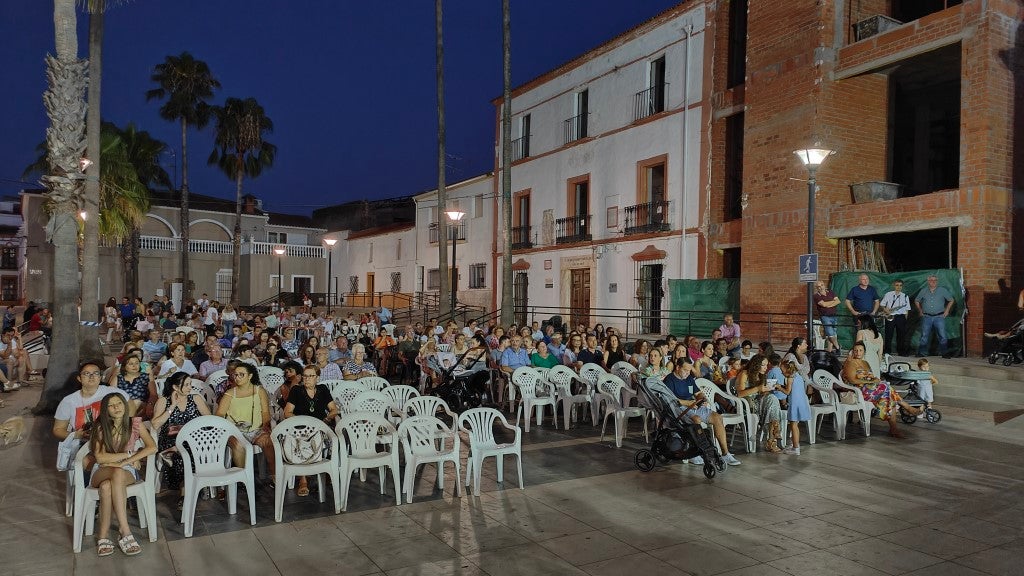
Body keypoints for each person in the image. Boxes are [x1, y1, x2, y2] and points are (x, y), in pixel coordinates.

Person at [87, 393, 156, 557]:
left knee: (106, 487)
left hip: (126, 471)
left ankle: (103, 536)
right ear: (106, 410)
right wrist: (129, 456)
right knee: (111, 476)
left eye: (119, 403)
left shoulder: (135, 424)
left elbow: (152, 447)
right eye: (111, 405)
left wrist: (124, 463)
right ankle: (124, 531)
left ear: (125, 405)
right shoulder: (101, 426)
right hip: (101, 470)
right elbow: (100, 457)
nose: (116, 407)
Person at [662, 357, 742, 466]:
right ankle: (693, 453)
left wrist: (702, 399)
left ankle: (725, 453)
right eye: (685, 370)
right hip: (678, 408)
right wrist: (688, 403)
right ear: (677, 367)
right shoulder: (669, 380)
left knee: (717, 417)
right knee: (696, 419)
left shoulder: (689, 378)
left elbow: (698, 393)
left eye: (689, 370)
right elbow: (670, 400)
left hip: (693, 406)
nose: (687, 373)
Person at [150, 372, 212, 510]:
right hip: (171, 439)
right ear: (175, 387)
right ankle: (187, 492)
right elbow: (155, 424)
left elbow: (209, 419)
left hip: (194, 439)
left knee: (190, 451)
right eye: (187, 385)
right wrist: (172, 406)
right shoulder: (164, 401)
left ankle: (187, 490)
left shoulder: (195, 399)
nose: (190, 387)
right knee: (183, 454)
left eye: (190, 384)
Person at [842, 342, 921, 437]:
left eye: (860, 350)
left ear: (864, 352)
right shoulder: (850, 363)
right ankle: (906, 408)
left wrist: (875, 380)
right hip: (857, 391)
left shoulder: (865, 363)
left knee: (888, 396)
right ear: (852, 352)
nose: (858, 352)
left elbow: (870, 377)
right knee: (886, 388)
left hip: (870, 389)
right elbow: (852, 380)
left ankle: (894, 428)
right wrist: (871, 382)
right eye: (855, 350)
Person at [283, 365, 339, 497]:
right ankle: (303, 480)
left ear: (317, 378)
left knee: (334, 438)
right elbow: (287, 412)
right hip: (300, 427)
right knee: (301, 440)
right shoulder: (296, 390)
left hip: (320, 426)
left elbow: (334, 409)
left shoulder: (323, 389)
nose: (307, 379)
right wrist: (302, 422)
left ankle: (326, 471)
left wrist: (326, 419)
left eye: (311, 376)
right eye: (305, 376)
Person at [216, 363, 275, 480]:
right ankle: (244, 477)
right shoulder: (229, 394)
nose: (237, 377)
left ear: (250, 376)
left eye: (241, 375)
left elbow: (265, 412)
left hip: (255, 429)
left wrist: (266, 427)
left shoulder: (259, 391)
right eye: (235, 375)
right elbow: (220, 414)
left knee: (268, 441)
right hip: (235, 430)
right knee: (237, 445)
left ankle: (275, 475)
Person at [734, 353, 784, 453]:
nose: (766, 367)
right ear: (756, 365)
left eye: (766, 365)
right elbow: (740, 394)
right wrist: (757, 388)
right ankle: (773, 437)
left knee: (772, 398)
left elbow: (761, 393)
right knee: (771, 403)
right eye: (763, 365)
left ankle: (773, 432)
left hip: (759, 403)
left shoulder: (761, 376)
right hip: (747, 405)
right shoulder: (745, 373)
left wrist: (766, 390)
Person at [915, 275, 955, 358]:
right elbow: (917, 300)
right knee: (924, 336)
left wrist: (947, 310)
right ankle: (921, 353)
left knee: (942, 336)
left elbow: (951, 300)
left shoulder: (942, 290)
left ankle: (944, 353)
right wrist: (920, 310)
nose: (933, 282)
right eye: (931, 280)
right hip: (926, 317)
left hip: (939, 317)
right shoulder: (923, 291)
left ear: (937, 281)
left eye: (935, 280)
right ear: (928, 281)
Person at [778, 360, 809, 455]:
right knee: (795, 425)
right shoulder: (798, 376)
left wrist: (779, 387)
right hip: (802, 402)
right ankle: (795, 444)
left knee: (793, 425)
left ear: (787, 369)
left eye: (782, 370)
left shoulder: (790, 379)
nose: (781, 372)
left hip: (795, 404)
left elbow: (787, 392)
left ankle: (796, 448)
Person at [879, 279, 912, 356]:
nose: (898, 287)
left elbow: (907, 309)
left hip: (901, 317)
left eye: (900, 285)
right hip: (890, 316)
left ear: (902, 286)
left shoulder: (905, 296)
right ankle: (887, 351)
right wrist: (886, 310)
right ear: (894, 285)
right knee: (888, 334)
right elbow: (882, 304)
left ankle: (901, 351)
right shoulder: (888, 294)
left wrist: (905, 319)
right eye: (897, 285)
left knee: (901, 335)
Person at [813, 280, 841, 351]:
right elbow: (823, 304)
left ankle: (829, 351)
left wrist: (828, 305)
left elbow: (838, 301)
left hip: (834, 316)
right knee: (830, 334)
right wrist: (833, 302)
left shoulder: (831, 292)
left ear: (824, 285)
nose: (821, 287)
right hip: (825, 317)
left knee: (833, 334)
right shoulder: (816, 296)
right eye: (818, 287)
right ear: (817, 288)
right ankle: (838, 347)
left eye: (822, 285)